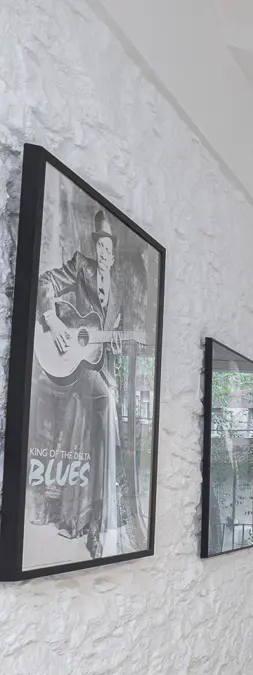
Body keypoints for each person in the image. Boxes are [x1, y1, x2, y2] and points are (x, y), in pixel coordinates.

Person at [28, 207, 132, 559]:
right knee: (106, 414)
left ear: (115, 254)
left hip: (96, 364)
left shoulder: (116, 288)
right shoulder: (80, 267)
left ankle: (94, 521)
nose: (105, 254)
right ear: (95, 248)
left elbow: (107, 335)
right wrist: (54, 322)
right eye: (100, 247)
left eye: (110, 249)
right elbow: (45, 283)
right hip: (76, 366)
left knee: (105, 420)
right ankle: (95, 522)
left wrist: (115, 340)